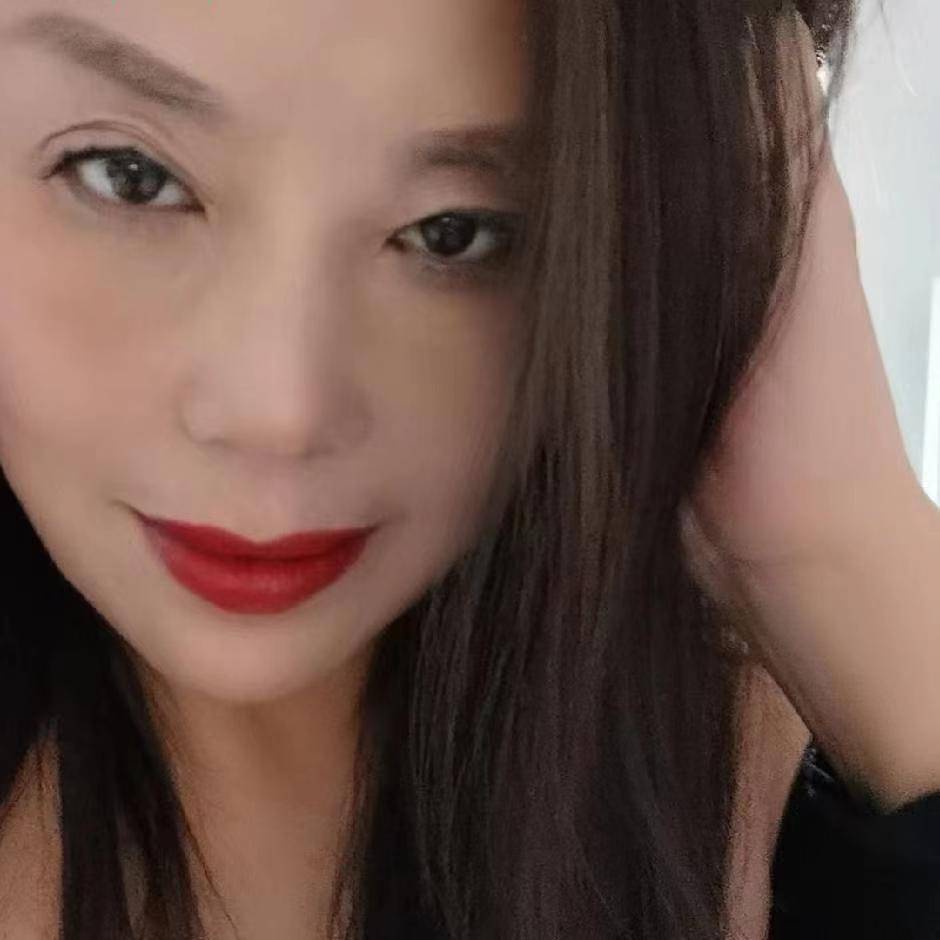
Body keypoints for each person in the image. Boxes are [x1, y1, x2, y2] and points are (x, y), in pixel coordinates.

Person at [1, 0, 938, 938]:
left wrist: (835, 557)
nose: (279, 414)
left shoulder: (766, 770)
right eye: (128, 177)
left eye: (457, 232)